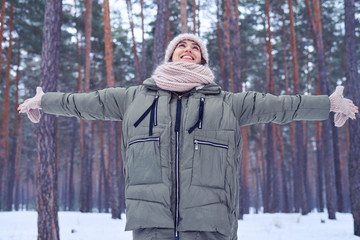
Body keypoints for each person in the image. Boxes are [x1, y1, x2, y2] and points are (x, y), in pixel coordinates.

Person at [18, 33, 358, 240]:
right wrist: (44, 101)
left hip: (210, 223)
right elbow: (84, 102)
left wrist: (327, 104)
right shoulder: (134, 97)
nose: (187, 48)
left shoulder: (227, 103)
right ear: (169, 56)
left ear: (202, 58)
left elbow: (281, 106)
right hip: (151, 223)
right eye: (181, 45)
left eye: (194, 47)